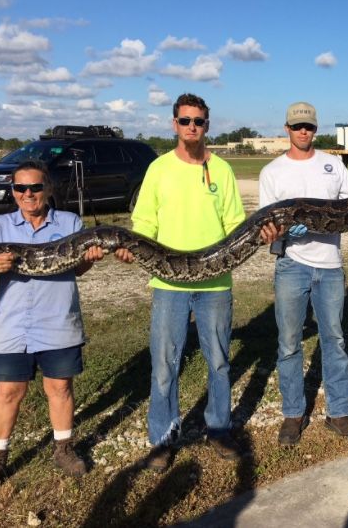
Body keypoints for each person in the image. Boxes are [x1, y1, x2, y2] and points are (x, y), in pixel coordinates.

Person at [115, 93, 277, 469]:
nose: (192, 127)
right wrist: (130, 249)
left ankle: (218, 428)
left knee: (219, 361)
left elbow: (236, 225)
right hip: (168, 286)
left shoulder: (220, 169)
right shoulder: (158, 169)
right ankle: (163, 437)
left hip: (215, 284)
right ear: (174, 124)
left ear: (207, 125)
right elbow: (145, 225)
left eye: (199, 121)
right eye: (185, 120)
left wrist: (260, 235)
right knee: (164, 364)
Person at [0, 160, 104, 498]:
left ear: (48, 190)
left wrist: (90, 258)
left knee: (59, 388)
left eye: (35, 187)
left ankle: (63, 449)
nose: (28, 194)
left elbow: (78, 269)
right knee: (8, 392)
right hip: (14, 324)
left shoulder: (70, 222)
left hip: (57, 320)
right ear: (13, 192)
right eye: (20, 188)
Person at [258, 101, 348, 446]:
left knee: (333, 339)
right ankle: (293, 414)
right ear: (287, 129)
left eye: (309, 127)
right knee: (289, 342)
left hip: (330, 264)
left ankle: (339, 412)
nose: (303, 132)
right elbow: (266, 227)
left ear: (316, 130)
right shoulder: (272, 172)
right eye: (297, 126)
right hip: (291, 264)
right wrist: (283, 233)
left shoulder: (333, 165)